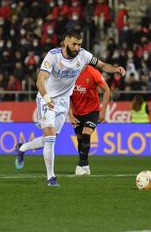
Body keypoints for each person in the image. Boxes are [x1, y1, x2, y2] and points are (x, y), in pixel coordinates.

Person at [15, 30, 125, 186]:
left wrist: (115, 69)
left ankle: (22, 147)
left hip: (63, 102)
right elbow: (40, 81)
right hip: (46, 99)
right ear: (65, 42)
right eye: (74, 44)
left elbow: (102, 65)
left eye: (79, 44)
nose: (77, 47)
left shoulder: (83, 55)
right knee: (51, 137)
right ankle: (51, 178)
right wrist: (46, 98)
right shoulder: (53, 56)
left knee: (49, 139)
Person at [69, 65, 111, 175]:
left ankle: (81, 164)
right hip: (76, 112)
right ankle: (86, 165)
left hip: (92, 111)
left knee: (86, 134)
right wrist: (70, 115)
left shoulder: (92, 72)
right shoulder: (68, 73)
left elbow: (107, 90)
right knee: (80, 139)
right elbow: (65, 96)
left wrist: (103, 111)